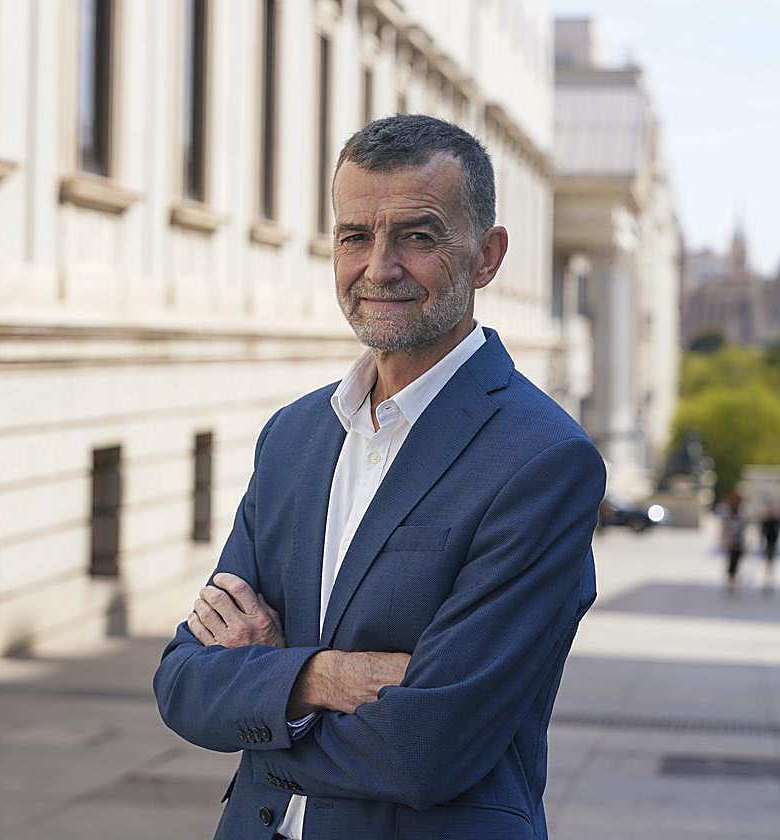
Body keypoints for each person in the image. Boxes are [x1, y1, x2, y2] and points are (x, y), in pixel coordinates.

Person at [153, 115, 606, 840]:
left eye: (419, 236)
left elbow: (425, 750)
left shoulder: (543, 460)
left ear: (487, 257)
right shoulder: (293, 436)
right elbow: (182, 682)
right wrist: (320, 679)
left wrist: (265, 691)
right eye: (355, 235)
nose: (379, 267)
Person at [721, 492, 747, 596]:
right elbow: (724, 527)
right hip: (731, 542)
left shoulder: (742, 511)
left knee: (737, 562)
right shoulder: (728, 512)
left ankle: (734, 581)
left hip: (739, 542)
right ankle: (731, 581)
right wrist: (723, 539)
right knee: (731, 562)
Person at [760, 504, 779, 595]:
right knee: (768, 561)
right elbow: (762, 532)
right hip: (768, 544)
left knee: (770, 561)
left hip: (773, 544)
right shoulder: (767, 521)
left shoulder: (776, 521)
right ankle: (767, 577)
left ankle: (770, 577)